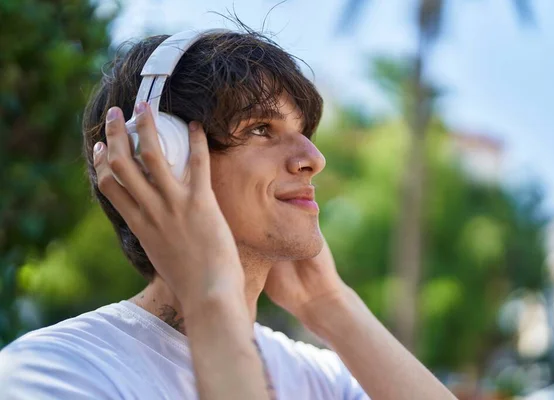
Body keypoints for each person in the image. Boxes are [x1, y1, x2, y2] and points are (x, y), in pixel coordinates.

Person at [0, 28, 457, 399]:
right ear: (161, 159)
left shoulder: (321, 379)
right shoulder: (54, 374)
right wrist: (209, 296)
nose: (313, 158)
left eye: (304, 132)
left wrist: (330, 305)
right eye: (262, 128)